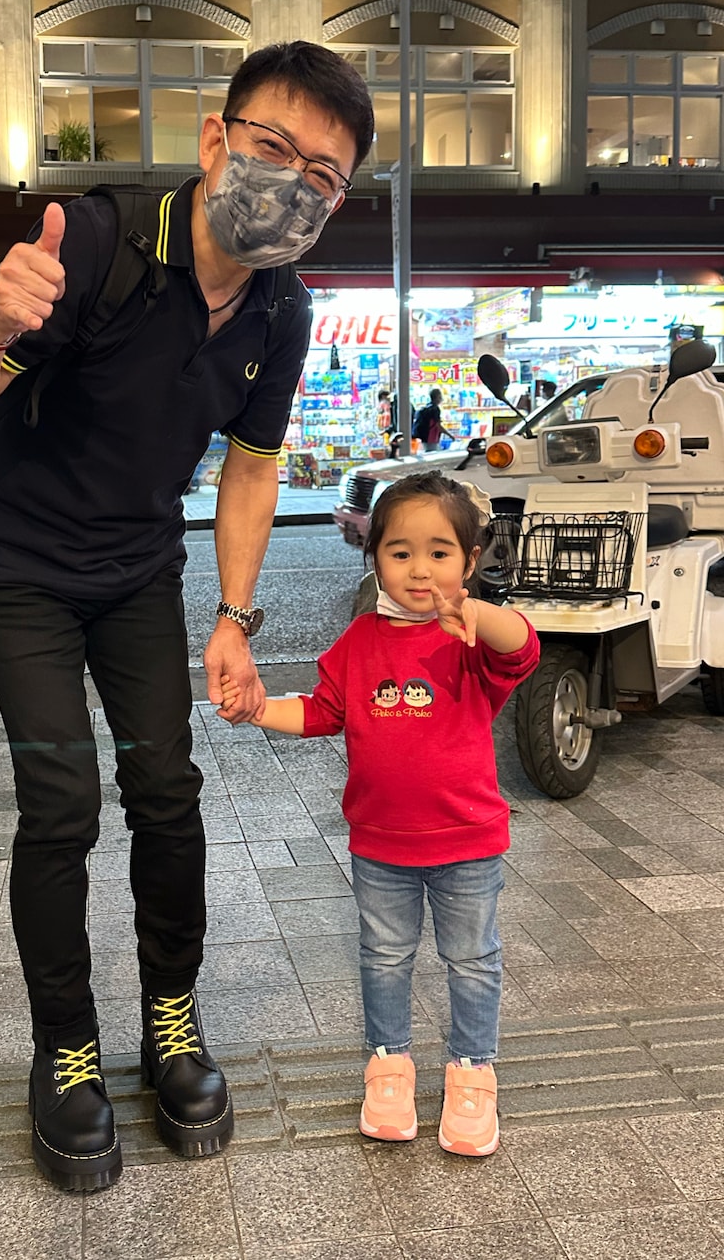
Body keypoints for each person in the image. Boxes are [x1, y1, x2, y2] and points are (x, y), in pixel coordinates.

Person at [0, 41, 375, 1193]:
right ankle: (64, 1046)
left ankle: (172, 1017)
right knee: (61, 798)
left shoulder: (281, 310)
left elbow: (252, 467)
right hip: (17, 561)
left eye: (322, 176)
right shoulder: (101, 242)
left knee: (167, 788)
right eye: (273, 147)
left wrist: (232, 617)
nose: (291, 183)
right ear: (216, 140)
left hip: (133, 567)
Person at [221, 472, 539, 1157]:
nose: (420, 569)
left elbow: (523, 645)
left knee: (472, 960)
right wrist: (257, 709)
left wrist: (476, 614)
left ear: (469, 561)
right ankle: (389, 1066)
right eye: (400, 552)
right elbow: (322, 712)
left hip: (468, 842)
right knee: (385, 958)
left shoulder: (474, 637)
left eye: (439, 553)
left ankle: (473, 1072)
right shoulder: (360, 641)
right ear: (375, 559)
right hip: (380, 845)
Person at [411, 387, 453, 452]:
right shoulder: (435, 409)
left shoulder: (427, 407)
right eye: (440, 397)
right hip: (431, 438)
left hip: (424, 437)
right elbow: (438, 426)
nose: (441, 399)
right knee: (432, 453)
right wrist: (450, 435)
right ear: (437, 397)